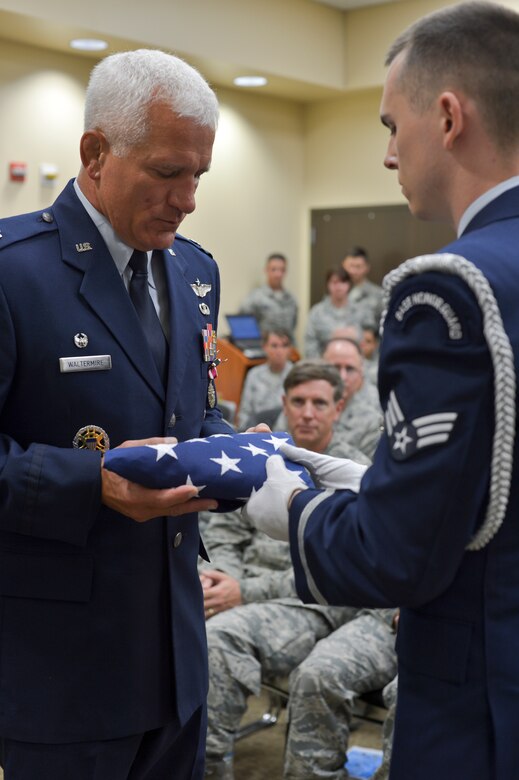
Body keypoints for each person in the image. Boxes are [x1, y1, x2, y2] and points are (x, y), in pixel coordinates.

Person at [245, 3, 519, 778]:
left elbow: (397, 559)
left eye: (391, 126)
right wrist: (384, 483)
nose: (390, 155)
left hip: (480, 700)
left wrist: (293, 507)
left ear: (446, 115)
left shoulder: (450, 291)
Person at [0, 49, 233, 780]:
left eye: (198, 175)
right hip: (61, 673)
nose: (188, 197)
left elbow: (193, 412)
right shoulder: (15, 270)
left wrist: (233, 447)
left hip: (176, 663)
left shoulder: (195, 271)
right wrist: (92, 481)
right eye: (168, 172)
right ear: (95, 154)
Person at [201, 361, 395, 779]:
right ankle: (204, 768)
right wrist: (222, 579)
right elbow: (222, 530)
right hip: (244, 589)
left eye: (319, 403)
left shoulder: (353, 470)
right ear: (283, 404)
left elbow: (345, 567)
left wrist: (244, 591)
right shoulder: (258, 456)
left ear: (338, 408)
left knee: (219, 640)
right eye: (299, 401)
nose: (308, 412)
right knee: (183, 627)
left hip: (312, 601)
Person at [322, 337, 383, 460]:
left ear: (361, 373)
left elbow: (369, 473)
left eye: (349, 369)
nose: (342, 377)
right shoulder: (301, 407)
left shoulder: (372, 422)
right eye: (335, 367)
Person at [236, 328, 293, 430]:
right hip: (256, 432)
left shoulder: (295, 375)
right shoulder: (254, 374)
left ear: (290, 349)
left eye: (284, 346)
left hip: (284, 434)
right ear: (264, 347)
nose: (279, 351)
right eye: (274, 346)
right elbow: (244, 413)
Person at [304, 267, 365, 358]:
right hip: (323, 366)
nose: (338, 287)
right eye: (334, 282)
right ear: (328, 285)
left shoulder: (360, 311)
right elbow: (309, 343)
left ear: (349, 285)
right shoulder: (317, 312)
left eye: (342, 282)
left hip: (353, 363)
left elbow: (367, 343)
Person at [239, 253, 298, 340]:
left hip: (287, 348)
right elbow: (243, 323)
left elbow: (292, 326)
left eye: (282, 270)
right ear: (266, 270)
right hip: (263, 349)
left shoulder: (291, 300)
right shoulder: (255, 297)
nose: (278, 274)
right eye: (273, 269)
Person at [341, 246, 383, 328]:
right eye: (350, 266)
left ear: (367, 267)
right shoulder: (335, 290)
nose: (353, 271)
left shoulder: (378, 295)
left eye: (358, 266)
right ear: (343, 265)